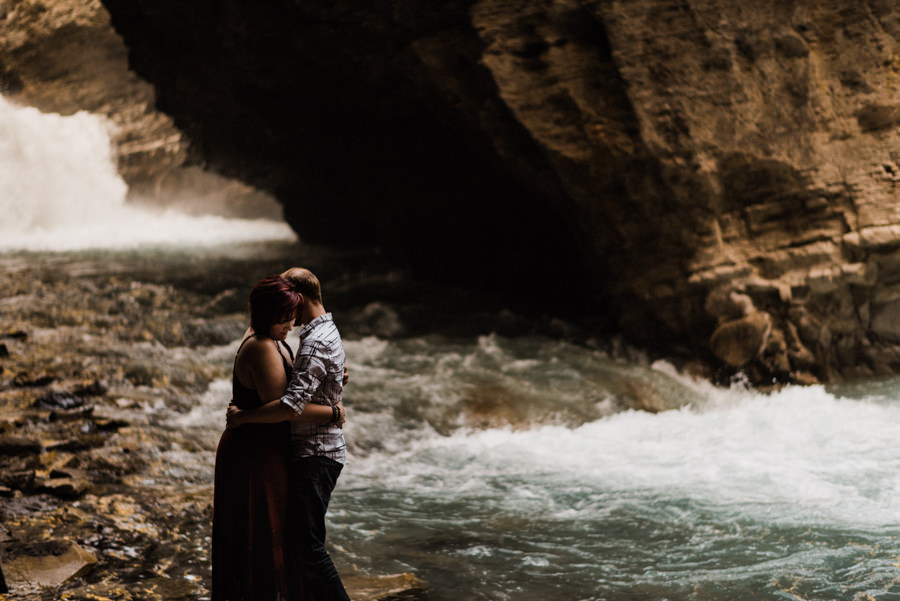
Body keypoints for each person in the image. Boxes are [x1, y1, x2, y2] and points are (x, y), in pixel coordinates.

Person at [211, 275, 344, 601]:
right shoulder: (263, 348)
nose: (293, 324)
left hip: (263, 448)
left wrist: (328, 380)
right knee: (262, 537)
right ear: (270, 315)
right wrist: (334, 413)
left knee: (283, 538)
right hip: (256, 454)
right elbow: (290, 408)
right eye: (287, 317)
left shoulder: (270, 337)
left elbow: (293, 394)